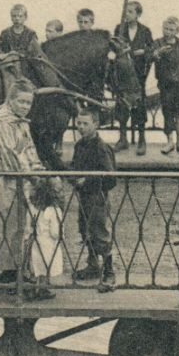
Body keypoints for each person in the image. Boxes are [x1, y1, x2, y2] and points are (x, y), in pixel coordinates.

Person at [0, 80, 57, 301]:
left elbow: (29, 150)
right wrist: (35, 179)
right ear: (11, 100)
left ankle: (9, 271)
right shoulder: (3, 123)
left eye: (29, 102)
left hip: (14, 177)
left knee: (13, 224)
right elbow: (12, 158)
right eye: (22, 101)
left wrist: (41, 170)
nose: (26, 106)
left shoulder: (20, 121)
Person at [69, 106, 118, 291]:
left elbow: (110, 176)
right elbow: (75, 165)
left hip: (97, 196)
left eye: (85, 124)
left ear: (96, 125)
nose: (81, 127)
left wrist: (87, 180)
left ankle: (109, 272)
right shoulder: (79, 145)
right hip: (83, 196)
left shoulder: (101, 148)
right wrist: (72, 175)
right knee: (85, 229)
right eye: (78, 123)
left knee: (100, 232)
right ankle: (93, 265)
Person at [112, 0, 154, 155]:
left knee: (139, 106)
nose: (127, 14)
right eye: (126, 11)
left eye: (130, 12)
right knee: (122, 104)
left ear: (138, 14)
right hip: (123, 73)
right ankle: (122, 139)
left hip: (138, 74)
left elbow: (151, 49)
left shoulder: (145, 31)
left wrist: (142, 52)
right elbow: (114, 46)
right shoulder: (119, 28)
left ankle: (142, 140)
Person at [152, 16, 179, 159]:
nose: (168, 32)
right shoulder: (158, 43)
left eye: (171, 29)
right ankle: (169, 142)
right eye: (166, 29)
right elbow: (151, 56)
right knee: (167, 113)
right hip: (166, 84)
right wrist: (158, 53)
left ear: (177, 31)